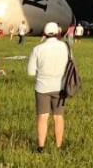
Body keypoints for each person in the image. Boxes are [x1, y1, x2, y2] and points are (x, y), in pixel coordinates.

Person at [27, 22, 70, 153]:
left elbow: (30, 72)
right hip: (60, 86)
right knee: (58, 117)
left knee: (43, 117)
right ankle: (58, 146)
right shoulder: (64, 46)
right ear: (58, 32)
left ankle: (40, 147)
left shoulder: (37, 49)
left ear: (44, 33)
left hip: (42, 88)